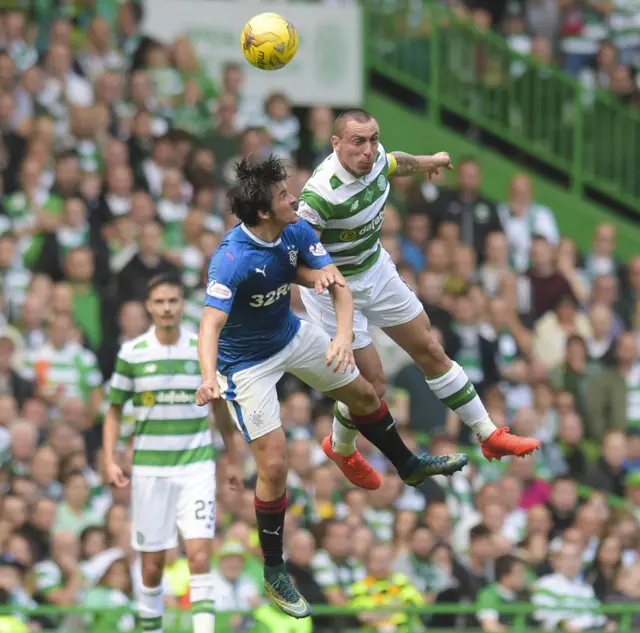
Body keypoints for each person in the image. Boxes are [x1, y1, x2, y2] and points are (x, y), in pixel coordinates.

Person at [195, 156, 468, 619]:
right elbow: (209, 325)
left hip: (290, 334)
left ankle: (408, 464)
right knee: (276, 465)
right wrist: (208, 377)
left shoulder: (296, 229)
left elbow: (337, 284)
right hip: (246, 365)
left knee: (364, 394)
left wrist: (342, 336)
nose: (293, 198)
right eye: (283, 196)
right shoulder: (231, 258)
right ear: (263, 212)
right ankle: (275, 568)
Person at [295, 109, 541, 464]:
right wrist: (335, 298)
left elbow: (395, 163)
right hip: (334, 287)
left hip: (375, 270)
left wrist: (430, 162)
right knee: (373, 386)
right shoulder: (319, 196)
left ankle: (488, 434)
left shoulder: (374, 158)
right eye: (357, 142)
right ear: (335, 144)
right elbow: (303, 262)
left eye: (373, 139)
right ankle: (341, 447)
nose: (368, 149)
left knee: (430, 349)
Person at [103, 274, 216, 633]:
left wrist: (229, 456)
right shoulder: (132, 353)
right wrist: (108, 458)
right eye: (160, 302)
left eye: (173, 301)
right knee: (151, 567)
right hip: (150, 470)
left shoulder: (202, 347)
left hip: (196, 465)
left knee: (199, 556)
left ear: (182, 304)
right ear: (149, 307)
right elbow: (114, 409)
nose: (167, 308)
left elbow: (221, 405)